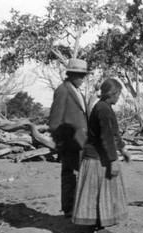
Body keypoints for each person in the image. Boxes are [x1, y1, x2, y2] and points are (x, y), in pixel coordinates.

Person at [71, 78, 131, 233]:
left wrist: (122, 149)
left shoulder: (105, 108)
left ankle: (99, 222)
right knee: (98, 192)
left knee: (101, 191)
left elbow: (114, 134)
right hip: (97, 158)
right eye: (118, 94)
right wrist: (113, 161)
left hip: (99, 156)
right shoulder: (103, 109)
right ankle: (98, 227)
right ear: (111, 94)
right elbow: (106, 137)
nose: (119, 97)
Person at [48, 58, 91, 218]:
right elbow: (54, 122)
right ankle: (69, 209)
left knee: (77, 174)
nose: (82, 79)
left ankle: (77, 207)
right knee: (69, 175)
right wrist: (62, 143)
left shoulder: (77, 91)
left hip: (80, 141)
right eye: (79, 75)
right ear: (71, 74)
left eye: (83, 75)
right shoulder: (63, 90)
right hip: (69, 142)